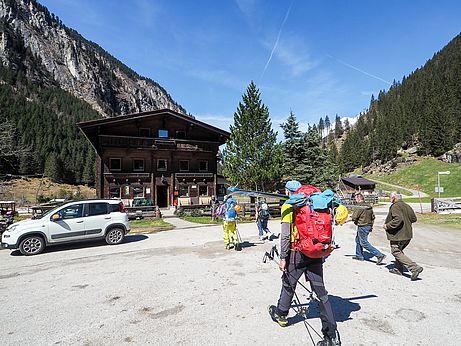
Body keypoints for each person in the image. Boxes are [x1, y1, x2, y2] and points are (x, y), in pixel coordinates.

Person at [269, 180, 340, 346]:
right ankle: (332, 336)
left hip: (297, 253)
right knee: (321, 293)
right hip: (316, 252)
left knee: (288, 282)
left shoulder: (289, 206)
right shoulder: (316, 203)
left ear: (288, 191)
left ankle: (281, 313)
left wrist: (282, 258)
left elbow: (286, 235)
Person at [383, 192, 423, 281]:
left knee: (395, 251)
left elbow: (398, 219)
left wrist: (387, 226)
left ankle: (414, 267)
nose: (389, 199)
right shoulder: (407, 205)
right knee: (399, 251)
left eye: (390, 197)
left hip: (398, 235)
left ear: (394, 197)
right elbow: (414, 219)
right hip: (407, 234)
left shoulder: (395, 206)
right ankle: (398, 269)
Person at [349, 193, 386, 264]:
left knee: (364, 243)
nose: (355, 200)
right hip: (368, 225)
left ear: (359, 199)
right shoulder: (368, 206)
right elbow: (373, 217)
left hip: (363, 226)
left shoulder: (359, 206)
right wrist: (371, 225)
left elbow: (354, 217)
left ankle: (379, 255)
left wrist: (344, 221)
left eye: (356, 199)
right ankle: (359, 255)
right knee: (358, 240)